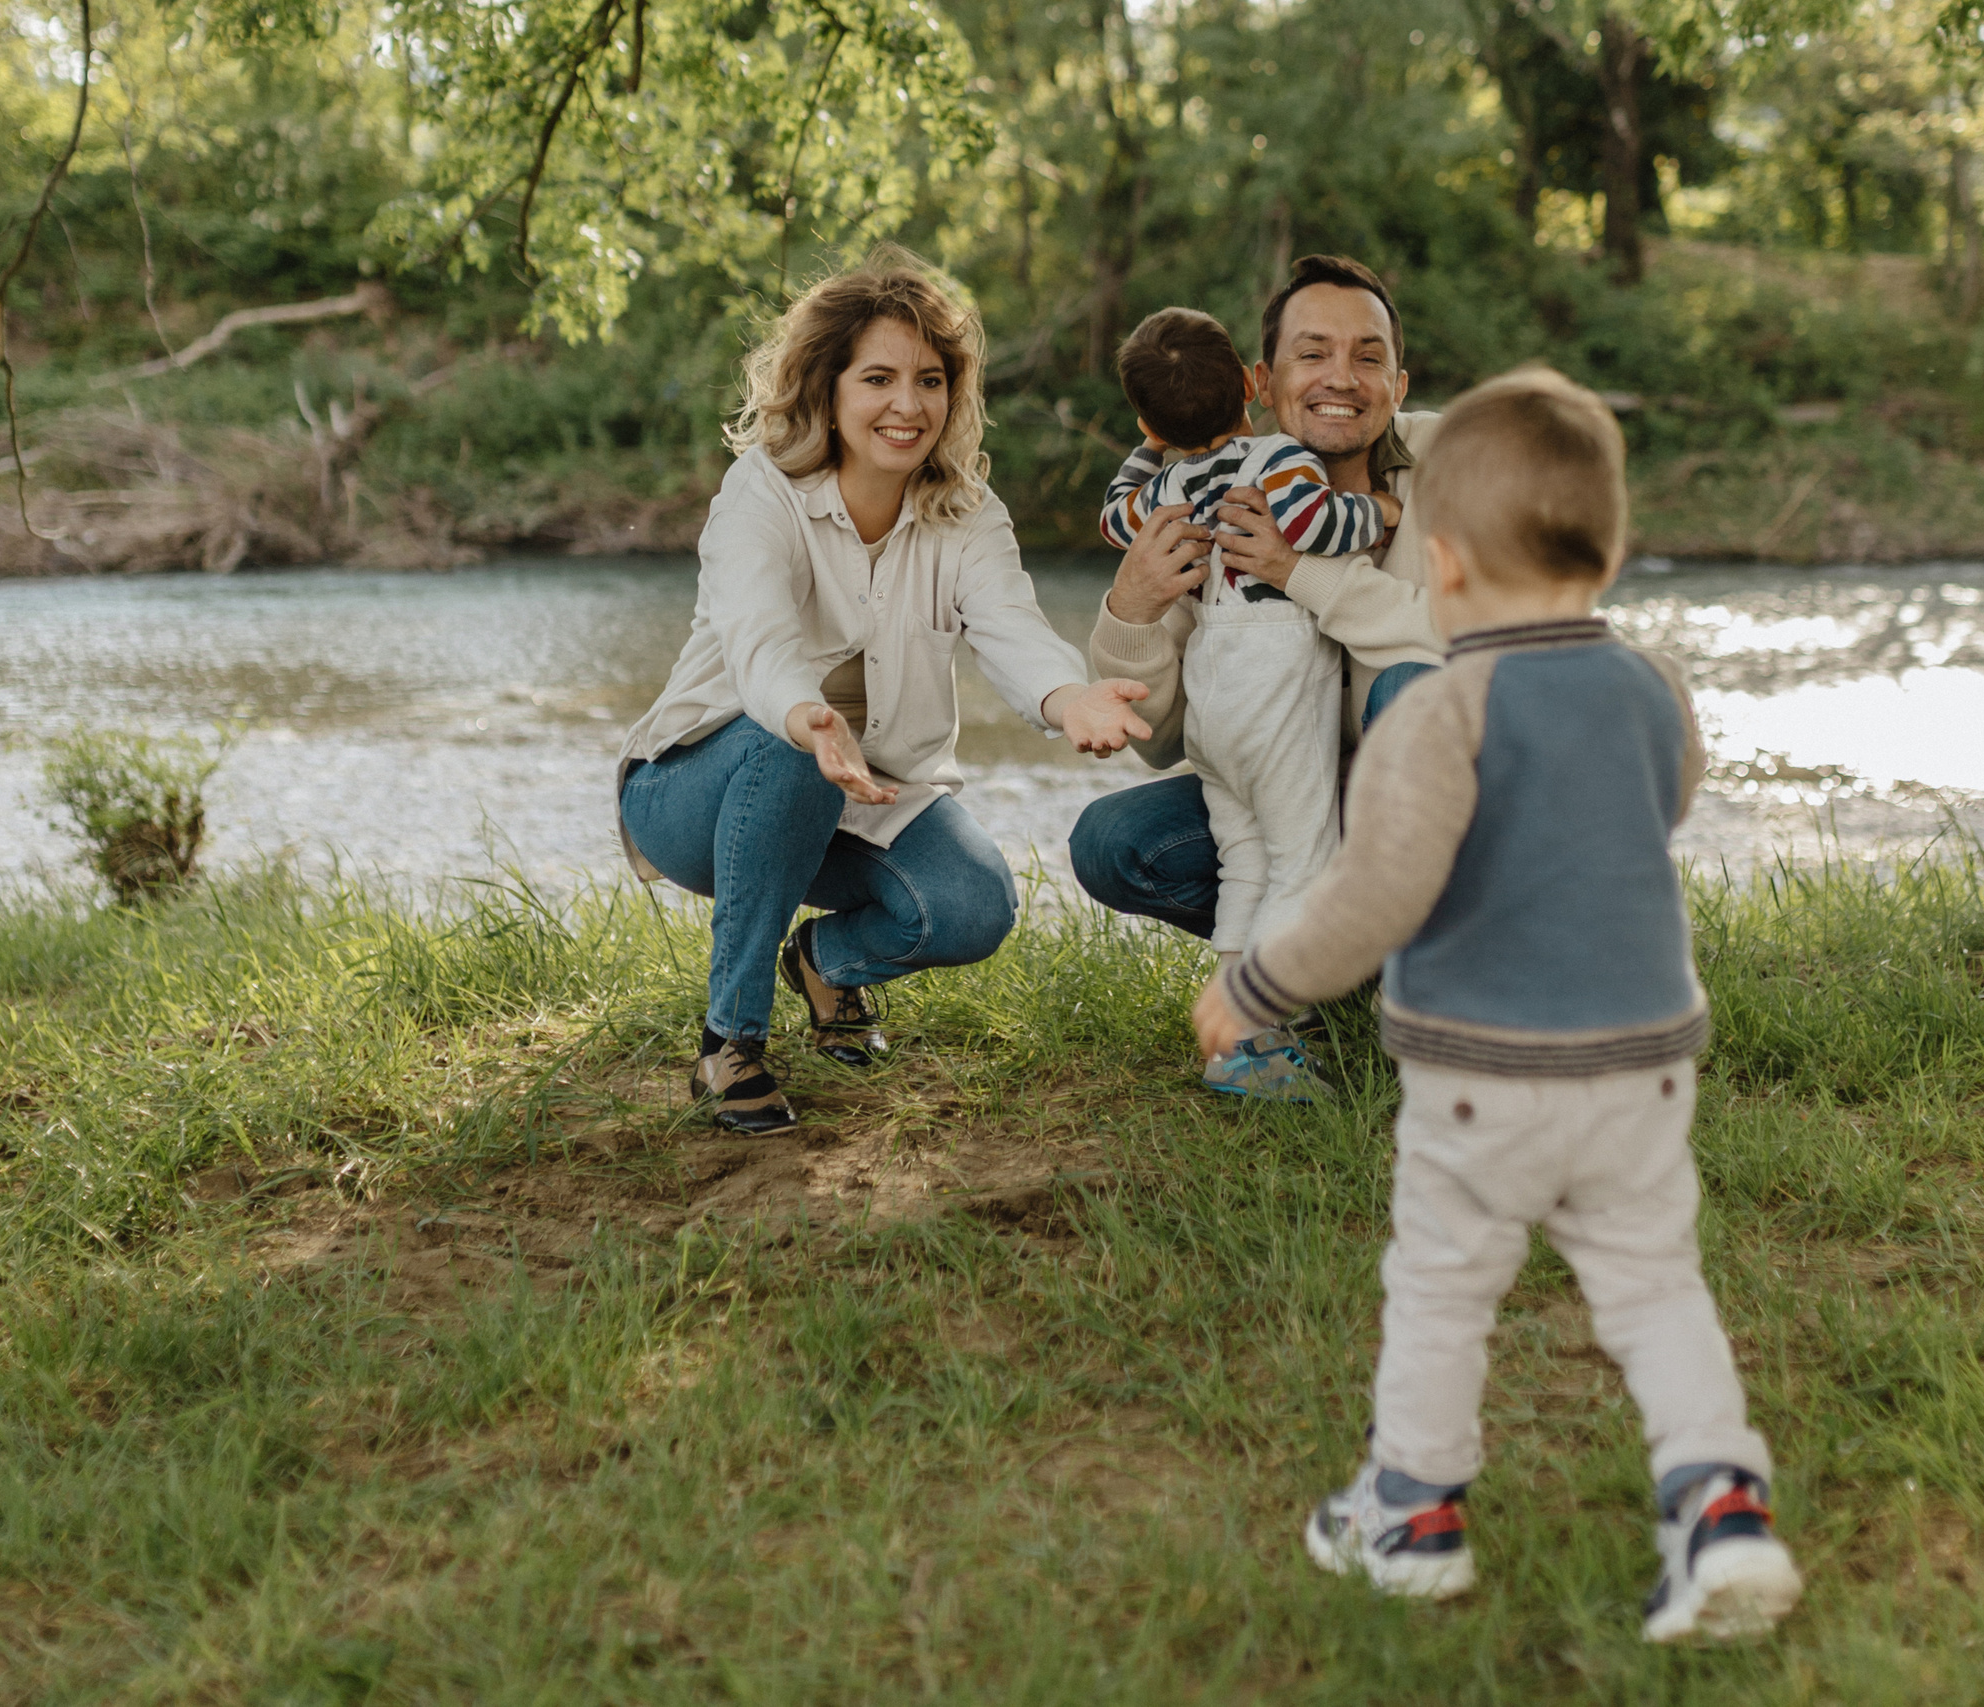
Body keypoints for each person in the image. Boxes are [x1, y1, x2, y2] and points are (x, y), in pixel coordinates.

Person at [1189, 367, 1802, 1639]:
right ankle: (1720, 1508)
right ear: (1609, 551)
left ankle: (1412, 1515)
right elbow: (1664, 802)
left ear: (1444, 563)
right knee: (1652, 1284)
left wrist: (1257, 984)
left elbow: (1374, 894)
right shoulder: (1653, 687)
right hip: (1641, 1067)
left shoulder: (1443, 709)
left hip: (1485, 1075)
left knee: (1442, 1285)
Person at [616, 249, 1154, 1133]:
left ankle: (824, 963)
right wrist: (809, 719)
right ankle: (730, 1040)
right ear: (827, 388)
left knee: (973, 904)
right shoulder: (761, 492)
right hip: (691, 792)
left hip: (863, 797)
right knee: (792, 754)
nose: (909, 405)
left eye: (929, 381)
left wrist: (1069, 697)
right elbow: (758, 640)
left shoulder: (968, 514)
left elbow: (1012, 626)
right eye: (878, 379)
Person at [1072, 256, 1444, 1100]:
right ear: (1261, 382)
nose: (1341, 377)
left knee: (1410, 699)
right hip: (1277, 741)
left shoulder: (1456, 459)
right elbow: (1155, 738)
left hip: (1401, 783)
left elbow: (1504, 645)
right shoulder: (1277, 465)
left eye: (1368, 356)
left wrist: (1293, 570)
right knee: (1172, 846)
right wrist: (1131, 606)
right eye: (1313, 353)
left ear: (1399, 383)